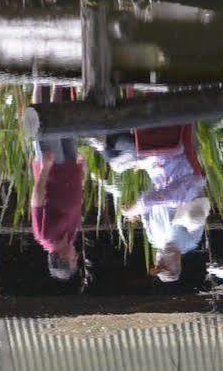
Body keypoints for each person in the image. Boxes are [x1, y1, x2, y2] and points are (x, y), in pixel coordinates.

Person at [102, 123, 209, 284]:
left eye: (157, 263)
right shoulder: (190, 241)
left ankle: (107, 124)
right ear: (177, 264)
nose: (159, 260)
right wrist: (135, 209)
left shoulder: (154, 239)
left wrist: (136, 213)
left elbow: (146, 209)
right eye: (164, 264)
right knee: (117, 145)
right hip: (175, 163)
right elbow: (157, 199)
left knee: (115, 160)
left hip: (156, 169)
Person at [29, 86, 85, 282]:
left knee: (45, 124)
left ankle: (38, 81)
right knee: (65, 123)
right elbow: (76, 203)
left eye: (73, 260)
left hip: (52, 170)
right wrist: (82, 173)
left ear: (61, 258)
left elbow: (36, 201)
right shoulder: (70, 237)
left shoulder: (45, 236)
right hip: (70, 169)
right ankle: (58, 81)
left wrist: (44, 168)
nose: (76, 256)